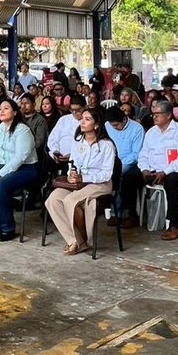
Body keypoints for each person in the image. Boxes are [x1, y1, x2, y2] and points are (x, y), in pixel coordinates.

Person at [45, 107, 116, 255]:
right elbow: (74, 164)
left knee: (70, 200)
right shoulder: (78, 142)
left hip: (99, 184)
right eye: (82, 118)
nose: (82, 122)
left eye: (87, 119)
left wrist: (84, 178)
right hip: (79, 183)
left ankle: (83, 239)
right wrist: (73, 174)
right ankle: (74, 240)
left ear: (96, 125)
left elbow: (106, 174)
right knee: (53, 199)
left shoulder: (107, 145)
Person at [121, 101, 178, 241]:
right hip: (153, 169)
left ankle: (173, 225)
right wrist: (144, 170)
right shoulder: (151, 132)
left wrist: (165, 172)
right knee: (129, 176)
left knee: (171, 181)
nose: (154, 117)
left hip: (177, 170)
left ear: (168, 116)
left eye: (157, 114)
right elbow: (143, 154)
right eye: (153, 114)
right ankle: (132, 215)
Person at [0, 100, 38, 241]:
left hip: (25, 169)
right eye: (0, 109)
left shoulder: (23, 130)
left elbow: (19, 158)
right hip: (2, 166)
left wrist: (0, 174)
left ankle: (8, 228)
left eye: (6, 108)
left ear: (15, 112)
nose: (1, 111)